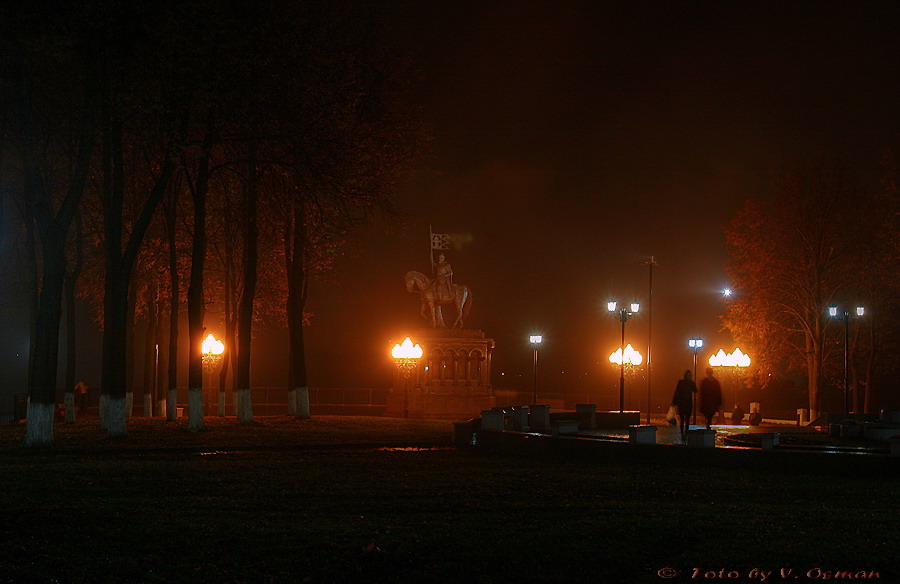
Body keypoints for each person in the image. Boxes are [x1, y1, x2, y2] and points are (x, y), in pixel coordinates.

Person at [671, 370, 697, 443]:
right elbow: (677, 392)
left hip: (687, 403)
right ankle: (683, 432)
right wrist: (674, 401)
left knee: (687, 419)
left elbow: (695, 390)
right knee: (682, 419)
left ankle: (686, 432)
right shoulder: (682, 382)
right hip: (682, 403)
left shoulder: (690, 383)